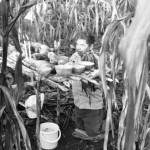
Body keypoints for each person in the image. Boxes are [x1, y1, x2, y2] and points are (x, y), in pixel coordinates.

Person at [69, 32, 104, 141]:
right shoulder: (74, 56)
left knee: (93, 134)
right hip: (78, 100)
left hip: (92, 103)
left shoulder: (97, 57)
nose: (78, 47)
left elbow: (109, 68)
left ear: (91, 46)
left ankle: (110, 123)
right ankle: (93, 126)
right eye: (77, 44)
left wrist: (98, 72)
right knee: (79, 128)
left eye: (82, 45)